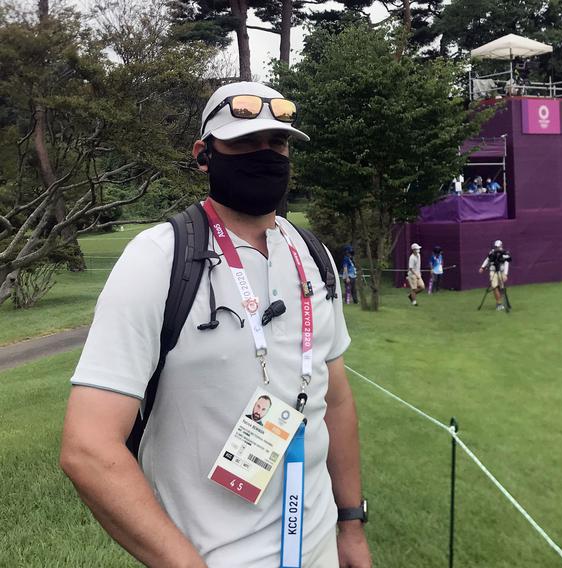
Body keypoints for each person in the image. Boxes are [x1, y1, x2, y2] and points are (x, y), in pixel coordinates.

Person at [60, 81, 372, 568]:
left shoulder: (311, 254)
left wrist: (350, 524)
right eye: (245, 143)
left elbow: (336, 397)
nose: (265, 155)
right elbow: (88, 447)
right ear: (204, 156)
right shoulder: (160, 258)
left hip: (318, 550)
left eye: (278, 143)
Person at [479, 239, 511, 311]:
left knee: (501, 288)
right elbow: (487, 259)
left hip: (501, 271)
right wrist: (482, 267)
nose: (497, 248)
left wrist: (505, 274)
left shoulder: (504, 253)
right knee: (494, 286)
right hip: (493, 271)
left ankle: (502, 302)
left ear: (501, 246)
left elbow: (506, 263)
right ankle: (499, 304)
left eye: (498, 246)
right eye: (496, 247)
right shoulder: (492, 252)